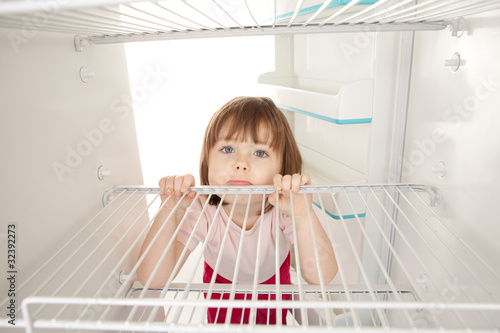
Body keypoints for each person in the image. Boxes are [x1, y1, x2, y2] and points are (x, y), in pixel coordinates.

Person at [137, 96, 337, 325]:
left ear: (282, 169)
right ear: (207, 161)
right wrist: (170, 209)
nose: (241, 163)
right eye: (228, 148)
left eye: (260, 153)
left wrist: (303, 215)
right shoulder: (202, 209)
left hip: (274, 282)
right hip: (221, 286)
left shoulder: (284, 208)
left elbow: (322, 277)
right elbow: (151, 279)